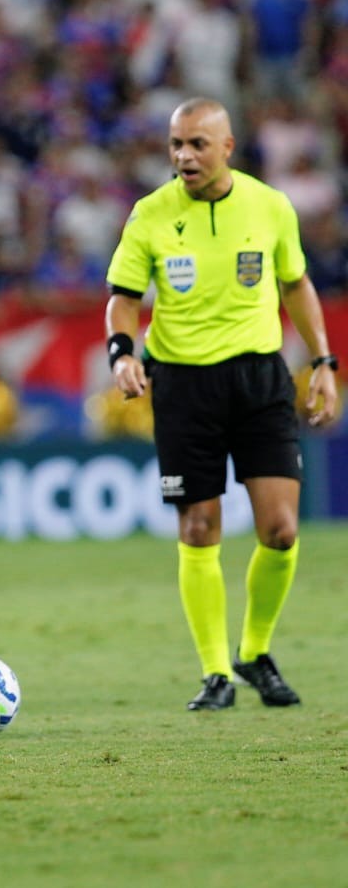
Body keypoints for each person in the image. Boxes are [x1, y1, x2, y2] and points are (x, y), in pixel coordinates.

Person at [104, 96, 340, 712]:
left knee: (282, 531)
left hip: (259, 380)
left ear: (228, 147)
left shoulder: (269, 206)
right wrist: (122, 354)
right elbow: (124, 298)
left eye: (197, 144)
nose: (184, 156)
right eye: (176, 145)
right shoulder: (150, 215)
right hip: (183, 385)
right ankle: (215, 673)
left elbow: (296, 285)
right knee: (199, 526)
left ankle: (255, 651)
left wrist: (323, 363)